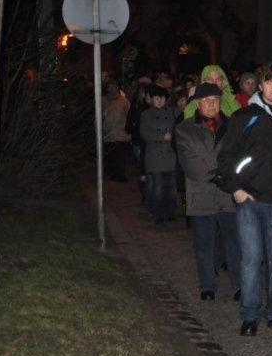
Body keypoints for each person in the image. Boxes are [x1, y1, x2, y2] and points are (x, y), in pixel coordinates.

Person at [215, 63, 272, 337]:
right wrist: (236, 190)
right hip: (249, 200)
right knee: (251, 260)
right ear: (261, 86)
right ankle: (250, 316)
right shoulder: (244, 117)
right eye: (270, 82)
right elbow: (226, 156)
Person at [175, 82, 242, 301]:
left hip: (228, 195)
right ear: (197, 104)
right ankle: (207, 285)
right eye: (207, 101)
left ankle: (239, 285)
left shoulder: (232, 126)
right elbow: (191, 165)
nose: (212, 104)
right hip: (201, 194)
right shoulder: (184, 129)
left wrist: (228, 176)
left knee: (234, 243)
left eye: (215, 100)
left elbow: (239, 159)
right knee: (204, 244)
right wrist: (223, 172)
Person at [138, 84, 180, 226]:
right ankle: (158, 213)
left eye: (162, 98)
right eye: (156, 98)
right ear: (151, 100)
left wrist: (173, 136)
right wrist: (162, 136)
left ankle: (171, 212)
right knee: (158, 187)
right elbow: (144, 133)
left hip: (170, 155)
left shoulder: (173, 112)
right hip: (155, 156)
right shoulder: (146, 115)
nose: (160, 101)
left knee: (171, 187)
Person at [102, 79, 132, 182]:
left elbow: (129, 115)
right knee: (111, 156)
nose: (112, 88)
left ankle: (120, 175)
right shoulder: (103, 100)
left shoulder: (123, 101)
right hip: (108, 133)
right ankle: (113, 173)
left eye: (114, 86)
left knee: (120, 156)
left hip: (121, 133)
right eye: (110, 86)